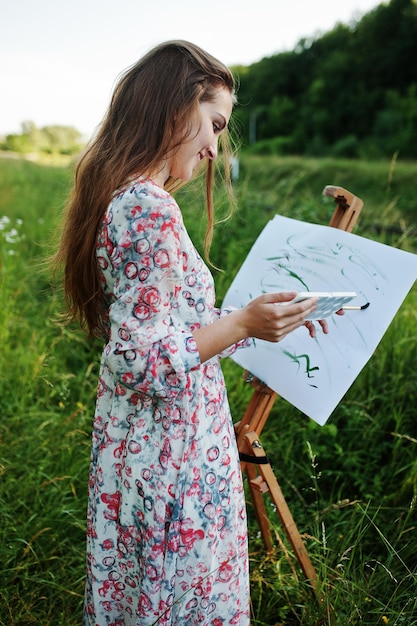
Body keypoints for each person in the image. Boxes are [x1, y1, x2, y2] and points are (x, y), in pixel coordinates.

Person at [54, 40, 327, 626]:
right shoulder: (148, 206)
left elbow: (172, 334)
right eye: (214, 123)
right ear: (177, 104)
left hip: (147, 453)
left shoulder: (124, 196)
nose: (214, 147)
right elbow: (138, 361)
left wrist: (260, 323)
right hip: (171, 461)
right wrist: (242, 322)